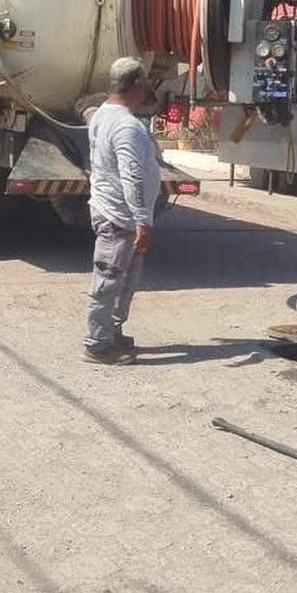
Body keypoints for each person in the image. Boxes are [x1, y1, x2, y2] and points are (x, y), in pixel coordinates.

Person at [84, 56, 162, 366]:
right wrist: (143, 220)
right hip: (120, 217)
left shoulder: (103, 115)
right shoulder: (126, 126)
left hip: (115, 211)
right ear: (137, 86)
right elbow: (131, 175)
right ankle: (97, 345)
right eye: (145, 84)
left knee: (123, 280)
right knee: (109, 281)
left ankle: (111, 333)